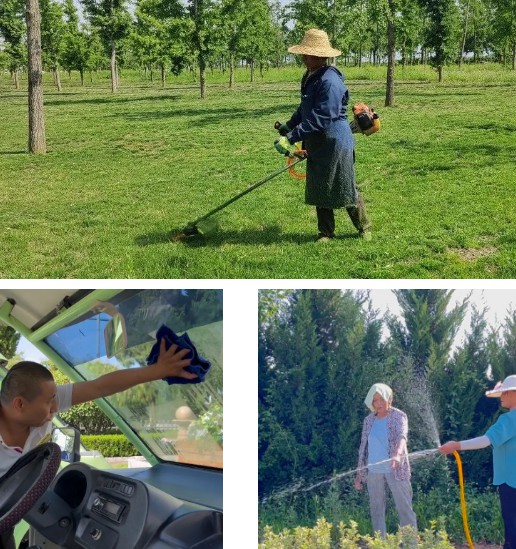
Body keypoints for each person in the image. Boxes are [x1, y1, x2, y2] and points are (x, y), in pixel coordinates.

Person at [0, 341, 194, 549]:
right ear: (19, 404)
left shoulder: (40, 407)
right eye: (49, 402)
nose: (55, 407)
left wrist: (157, 370)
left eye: (55, 397)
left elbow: (99, 386)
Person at [275, 28, 371, 243]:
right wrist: (289, 126)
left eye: (308, 54)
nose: (304, 58)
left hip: (335, 140)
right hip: (317, 140)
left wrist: (292, 137)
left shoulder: (330, 81)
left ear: (321, 56)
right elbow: (306, 107)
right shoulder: (310, 75)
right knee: (320, 185)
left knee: (344, 184)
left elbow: (322, 116)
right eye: (304, 54)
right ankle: (326, 232)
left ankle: (364, 227)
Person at [439, 375, 516, 549]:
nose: (501, 397)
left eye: (504, 393)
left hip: (511, 482)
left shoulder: (509, 420)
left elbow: (486, 440)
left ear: (514, 394)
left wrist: (456, 445)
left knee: (512, 528)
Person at [354, 383, 417, 537]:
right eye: (375, 401)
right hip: (373, 472)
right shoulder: (368, 420)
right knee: (376, 510)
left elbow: (402, 437)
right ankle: (380, 544)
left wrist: (397, 454)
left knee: (404, 509)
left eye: (382, 399)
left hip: (396, 469)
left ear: (389, 398)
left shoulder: (399, 416)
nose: (379, 404)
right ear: (371, 403)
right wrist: (359, 474)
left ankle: (411, 544)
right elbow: (363, 447)